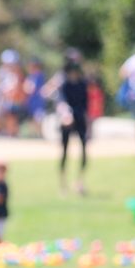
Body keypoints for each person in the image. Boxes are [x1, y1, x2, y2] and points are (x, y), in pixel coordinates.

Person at [43, 50, 90, 195]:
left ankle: (80, 182)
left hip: (80, 117)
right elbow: (55, 97)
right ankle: (63, 184)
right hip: (66, 118)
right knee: (64, 151)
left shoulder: (82, 82)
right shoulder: (61, 80)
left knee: (83, 150)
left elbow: (85, 104)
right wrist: (63, 112)